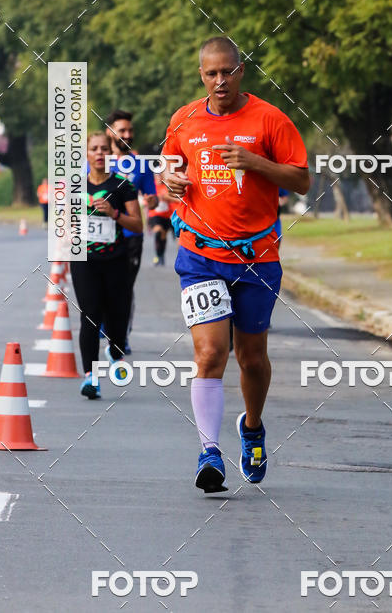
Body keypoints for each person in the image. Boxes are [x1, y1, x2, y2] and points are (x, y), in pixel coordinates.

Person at [163, 35, 309, 492]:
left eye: (227, 71)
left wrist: (254, 162)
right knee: (210, 354)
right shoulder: (184, 118)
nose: (220, 80)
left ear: (241, 70)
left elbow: (302, 180)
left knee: (252, 358)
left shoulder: (270, 119)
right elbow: (169, 165)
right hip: (200, 254)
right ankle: (209, 452)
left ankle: (252, 426)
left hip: (256, 257)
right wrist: (170, 179)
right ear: (201, 75)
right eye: (211, 73)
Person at [72, 132, 142, 399]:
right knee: (89, 315)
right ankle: (91, 377)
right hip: (84, 261)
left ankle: (115, 349)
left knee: (117, 316)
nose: (99, 153)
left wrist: (114, 213)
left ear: (111, 154)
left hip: (116, 260)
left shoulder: (122, 185)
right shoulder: (76, 186)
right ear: (86, 154)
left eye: (104, 149)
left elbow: (138, 224)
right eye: (94, 149)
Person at [104, 109, 158, 353]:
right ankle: (104, 323)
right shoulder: (97, 162)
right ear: (110, 132)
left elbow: (152, 198)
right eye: (121, 130)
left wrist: (152, 201)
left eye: (130, 130)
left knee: (124, 288)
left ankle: (121, 335)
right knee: (102, 287)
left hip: (131, 236)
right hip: (101, 236)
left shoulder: (141, 165)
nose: (127, 134)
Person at [147, 174, 177, 265]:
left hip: (166, 216)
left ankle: (161, 256)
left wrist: (165, 197)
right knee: (158, 232)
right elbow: (146, 202)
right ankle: (157, 256)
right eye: (157, 176)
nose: (159, 177)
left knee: (163, 237)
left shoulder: (167, 186)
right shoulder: (151, 187)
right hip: (155, 215)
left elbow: (176, 199)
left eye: (160, 175)